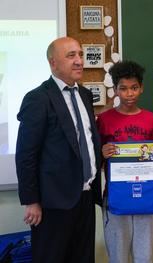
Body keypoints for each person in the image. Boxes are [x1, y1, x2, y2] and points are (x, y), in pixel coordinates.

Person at [15, 37, 102, 263]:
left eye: (80, 54)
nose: (79, 61)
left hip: (85, 197)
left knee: (83, 258)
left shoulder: (85, 95)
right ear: (53, 63)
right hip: (53, 202)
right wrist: (31, 200)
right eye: (71, 55)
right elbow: (26, 155)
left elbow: (88, 140)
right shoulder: (38, 98)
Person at [96, 60, 153, 263]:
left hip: (146, 195)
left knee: (144, 256)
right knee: (118, 256)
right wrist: (102, 152)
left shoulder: (150, 119)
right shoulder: (104, 120)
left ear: (141, 88)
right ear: (115, 90)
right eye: (123, 88)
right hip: (115, 196)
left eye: (134, 88)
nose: (129, 94)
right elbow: (95, 159)